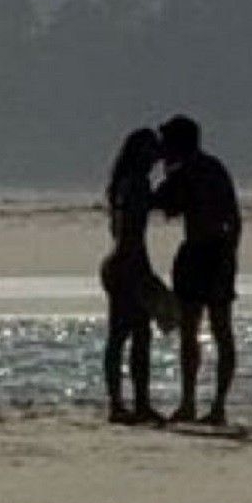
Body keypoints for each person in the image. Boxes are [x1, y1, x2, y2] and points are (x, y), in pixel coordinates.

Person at [153, 114, 241, 426]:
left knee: (198, 330)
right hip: (216, 251)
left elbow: (162, 203)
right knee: (216, 330)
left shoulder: (190, 172)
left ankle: (196, 402)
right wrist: (231, 254)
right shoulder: (213, 169)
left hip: (203, 252)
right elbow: (234, 216)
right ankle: (212, 405)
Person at [99, 127, 171, 425]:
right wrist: (143, 273)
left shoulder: (120, 185)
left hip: (116, 263)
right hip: (129, 264)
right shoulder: (137, 185)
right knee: (137, 336)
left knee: (121, 336)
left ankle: (120, 403)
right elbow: (132, 236)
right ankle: (134, 403)